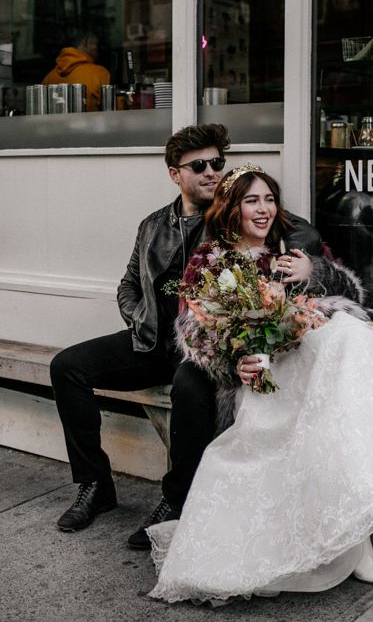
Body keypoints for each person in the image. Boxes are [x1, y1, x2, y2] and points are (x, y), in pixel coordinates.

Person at [146, 166, 373, 603]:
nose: (264, 209)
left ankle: (359, 542)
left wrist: (315, 271)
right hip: (271, 375)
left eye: (269, 199)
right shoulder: (210, 262)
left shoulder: (292, 246)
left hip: (320, 362)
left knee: (352, 340)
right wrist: (236, 362)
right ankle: (357, 546)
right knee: (342, 353)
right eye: (252, 201)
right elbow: (194, 334)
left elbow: (353, 297)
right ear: (232, 209)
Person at [50, 125, 323, 551]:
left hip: (205, 348)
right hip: (152, 340)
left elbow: (296, 230)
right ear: (175, 173)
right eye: (199, 166)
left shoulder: (233, 211)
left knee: (189, 388)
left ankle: (174, 501)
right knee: (67, 367)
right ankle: (94, 486)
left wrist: (293, 263)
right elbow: (127, 283)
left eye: (217, 163)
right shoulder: (153, 225)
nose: (212, 172)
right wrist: (139, 316)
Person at [42, 31, 110, 112]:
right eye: (96, 44)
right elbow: (116, 107)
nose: (97, 49)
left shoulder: (48, 78)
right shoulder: (100, 73)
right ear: (85, 43)